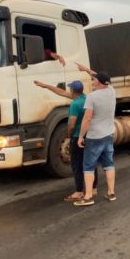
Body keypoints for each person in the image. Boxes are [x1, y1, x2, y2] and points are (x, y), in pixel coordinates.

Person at [33, 79, 97, 201]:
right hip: (89, 135)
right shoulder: (86, 98)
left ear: (73, 91)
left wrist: (69, 135)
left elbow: (72, 124)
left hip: (77, 137)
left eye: (70, 89)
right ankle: (93, 188)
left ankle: (79, 191)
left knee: (77, 165)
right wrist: (46, 85)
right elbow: (61, 92)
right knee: (90, 162)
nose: (69, 91)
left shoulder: (75, 104)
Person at [73, 62, 116, 207]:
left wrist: (80, 137)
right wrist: (86, 69)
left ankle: (88, 196)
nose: (93, 79)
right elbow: (97, 75)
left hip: (94, 137)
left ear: (98, 82)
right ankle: (111, 192)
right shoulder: (111, 91)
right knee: (109, 164)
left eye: (94, 79)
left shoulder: (92, 97)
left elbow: (87, 119)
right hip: (108, 135)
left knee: (88, 166)